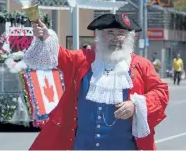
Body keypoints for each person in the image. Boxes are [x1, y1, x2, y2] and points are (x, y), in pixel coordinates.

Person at [23, 13, 169, 150]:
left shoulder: (141, 65)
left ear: (129, 37)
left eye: (121, 34)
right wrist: (45, 37)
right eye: (110, 32)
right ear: (100, 35)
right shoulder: (82, 59)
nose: (115, 38)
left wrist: (135, 105)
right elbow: (58, 55)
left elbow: (161, 92)